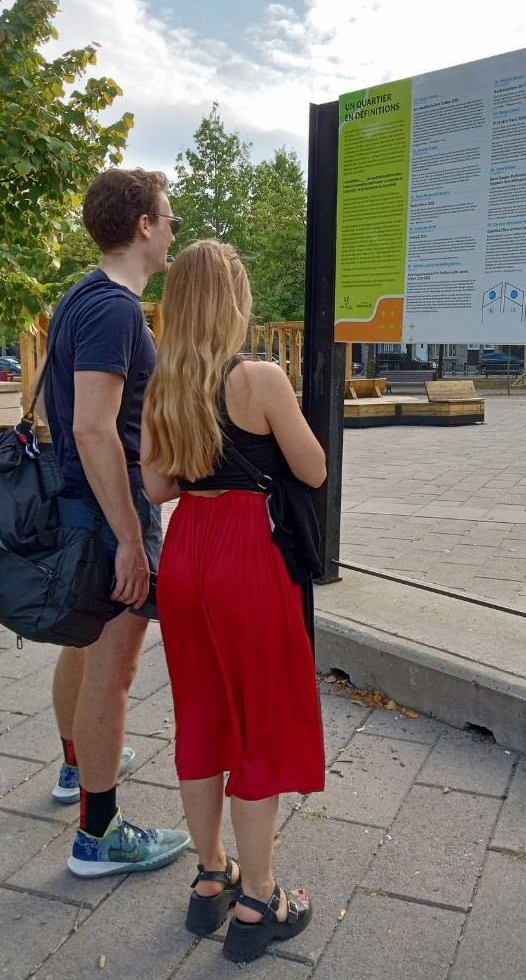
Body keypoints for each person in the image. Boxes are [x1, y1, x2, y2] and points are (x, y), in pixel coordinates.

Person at [140, 239, 326, 962]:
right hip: (250, 551)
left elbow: (157, 488)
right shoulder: (260, 379)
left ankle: (211, 879)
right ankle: (260, 900)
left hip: (187, 551)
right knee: (260, 723)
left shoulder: (164, 386)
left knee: (202, 714)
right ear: (234, 301)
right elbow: (312, 467)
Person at [48, 168, 192, 877]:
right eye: (167, 218)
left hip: (80, 508)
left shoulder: (78, 295)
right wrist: (132, 539)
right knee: (113, 672)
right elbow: (93, 429)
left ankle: (77, 770)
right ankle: (98, 837)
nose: (172, 231)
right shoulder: (115, 310)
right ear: (142, 225)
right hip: (112, 514)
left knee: (80, 648)